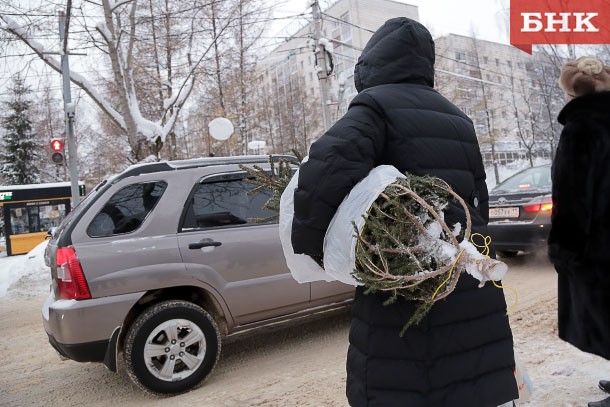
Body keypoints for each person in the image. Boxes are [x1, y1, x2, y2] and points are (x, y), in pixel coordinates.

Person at [291, 17, 518, 407]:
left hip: (407, 286)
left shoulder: (375, 106)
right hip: (466, 277)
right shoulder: (458, 119)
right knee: (469, 380)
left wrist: (313, 247)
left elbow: (324, 171)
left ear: (372, 63)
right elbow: (477, 202)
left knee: (406, 382)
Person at [549, 56, 610, 407]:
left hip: (599, 247)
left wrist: (564, 249)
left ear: (572, 91)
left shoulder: (581, 128)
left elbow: (572, 195)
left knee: (605, 315)